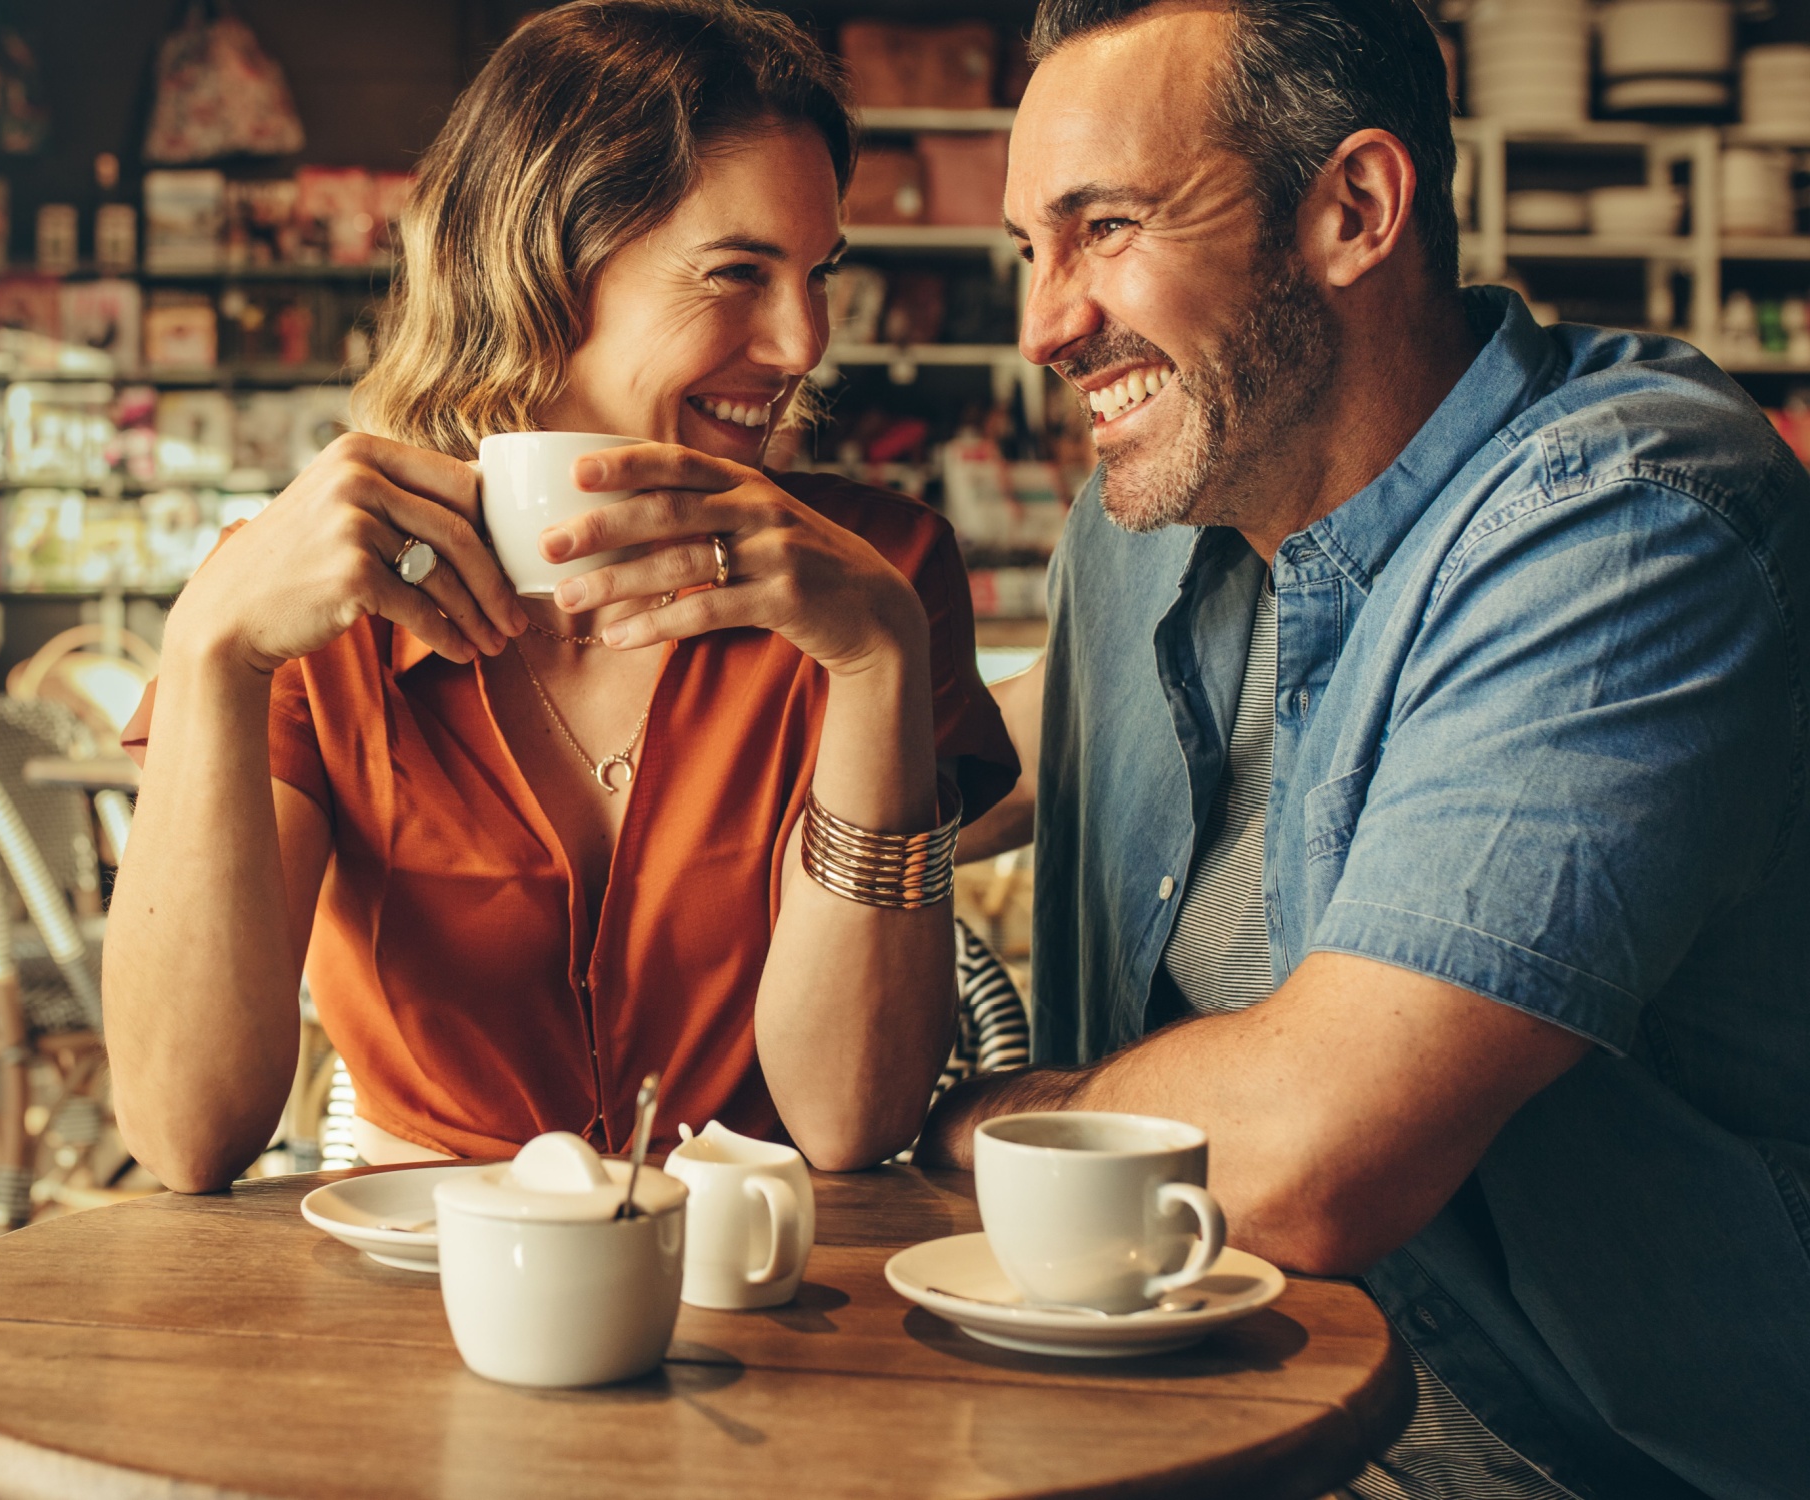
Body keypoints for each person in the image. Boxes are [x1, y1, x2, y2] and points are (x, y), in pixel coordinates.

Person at [933, 2, 1810, 1497]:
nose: (1046, 324)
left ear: (1353, 210)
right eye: (1035, 248)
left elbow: (1311, 1152)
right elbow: (1014, 747)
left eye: (1108, 228)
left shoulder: (1629, 524)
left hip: (1563, 1466)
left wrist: (965, 1113)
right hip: (1198, 1404)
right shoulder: (1152, 515)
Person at [104, 0, 1016, 1189]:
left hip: (776, 1313)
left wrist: (881, 660)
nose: (804, 341)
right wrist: (213, 649)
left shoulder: (877, 579)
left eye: (818, 274)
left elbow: (850, 1117)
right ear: (543, 266)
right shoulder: (312, 594)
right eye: (738, 272)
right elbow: (184, 1133)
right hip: (416, 1297)